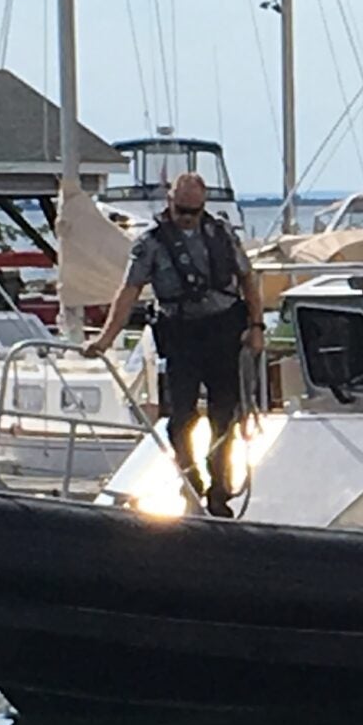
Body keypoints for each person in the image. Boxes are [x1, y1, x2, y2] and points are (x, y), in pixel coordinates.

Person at [85, 173, 263, 516]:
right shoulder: (150, 243)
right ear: (170, 202)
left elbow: (248, 279)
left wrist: (256, 326)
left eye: (194, 211)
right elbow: (129, 291)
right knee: (179, 417)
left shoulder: (221, 234)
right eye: (181, 209)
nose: (187, 218)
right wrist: (106, 338)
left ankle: (219, 487)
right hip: (180, 333)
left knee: (223, 414)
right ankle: (190, 478)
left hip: (223, 329)